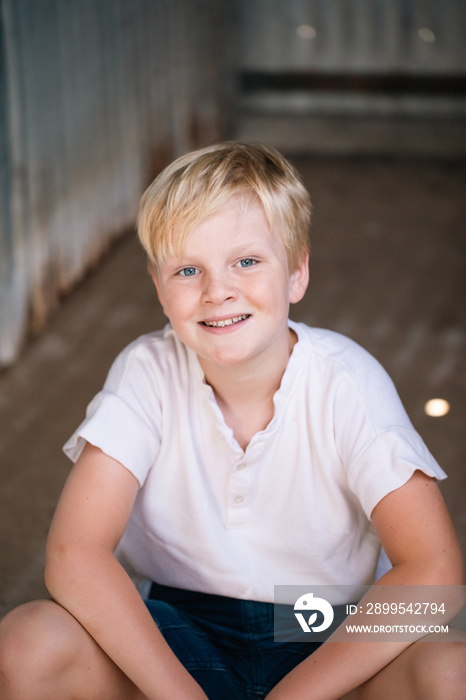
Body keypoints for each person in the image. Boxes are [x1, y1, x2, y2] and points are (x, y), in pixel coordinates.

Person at [0, 142, 465, 700]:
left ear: (296, 273)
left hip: (318, 629)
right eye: (188, 269)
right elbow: (75, 555)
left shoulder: (347, 383)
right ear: (159, 290)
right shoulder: (147, 371)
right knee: (25, 645)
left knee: (451, 672)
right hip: (182, 629)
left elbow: (434, 570)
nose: (217, 290)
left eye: (246, 261)